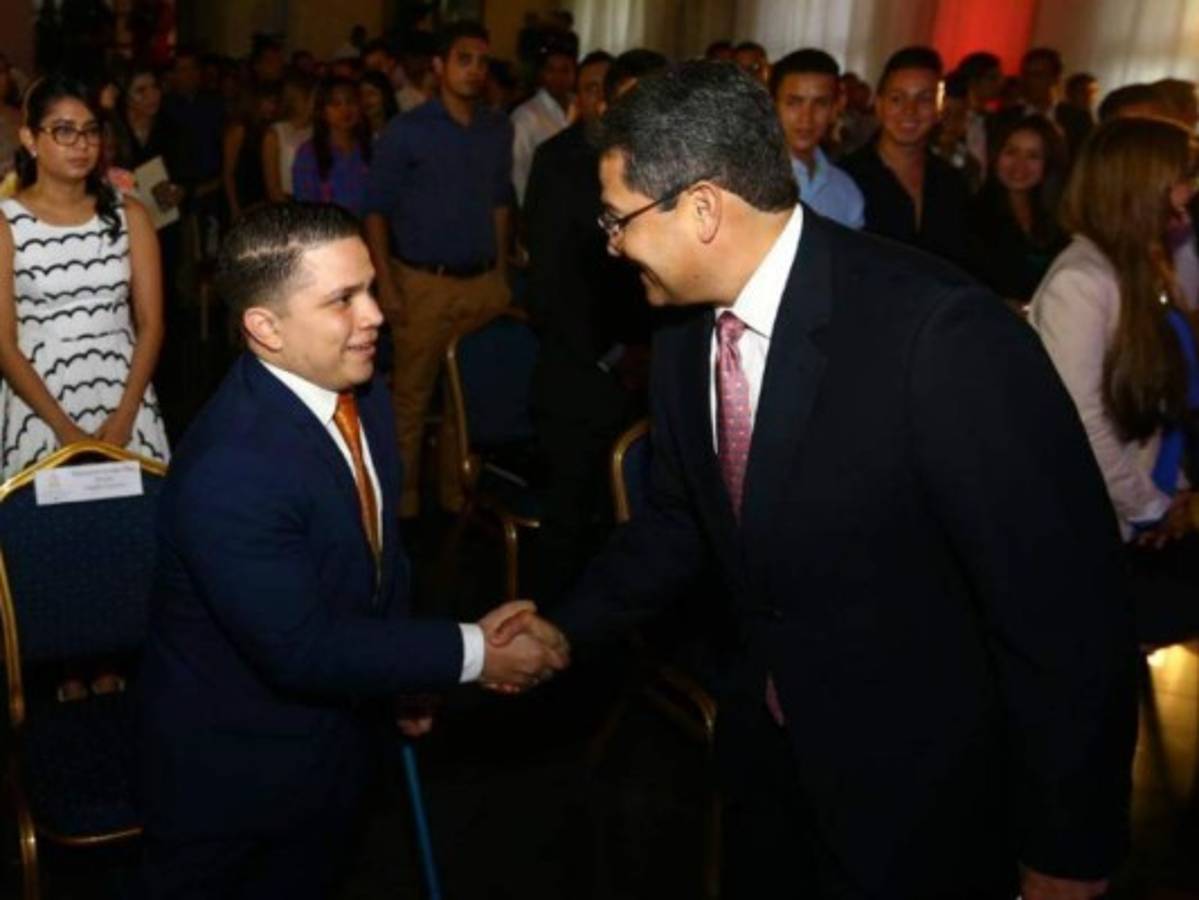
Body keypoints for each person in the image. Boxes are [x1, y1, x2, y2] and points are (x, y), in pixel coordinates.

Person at [502, 60, 1137, 900]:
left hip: (921, 794)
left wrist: (1066, 851)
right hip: (769, 765)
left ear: (699, 209)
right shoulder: (690, 331)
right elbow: (680, 522)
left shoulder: (939, 338)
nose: (611, 247)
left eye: (617, 222)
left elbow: (1063, 613)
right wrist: (560, 628)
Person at [139, 202, 567, 899]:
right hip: (236, 782)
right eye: (342, 299)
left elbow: (379, 558)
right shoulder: (231, 468)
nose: (373, 315)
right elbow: (301, 649)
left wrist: (402, 677)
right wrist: (472, 652)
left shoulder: (353, 389)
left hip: (334, 744)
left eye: (369, 287)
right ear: (265, 328)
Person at [1030, 117, 1199, 646]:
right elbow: (1081, 423)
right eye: (1184, 176)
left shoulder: (1140, 264)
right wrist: (1150, 505)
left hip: (1140, 503)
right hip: (1090, 523)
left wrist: (1177, 489)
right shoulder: (1081, 281)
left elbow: (1163, 396)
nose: (1192, 191)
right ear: (1140, 183)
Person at [524, 48, 665, 605]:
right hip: (581, 375)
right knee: (569, 530)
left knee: (638, 531)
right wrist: (616, 354)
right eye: (630, 103)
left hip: (653, 375)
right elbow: (550, 287)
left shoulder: (676, 163)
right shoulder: (563, 162)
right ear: (604, 103)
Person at [364, 20, 513, 520]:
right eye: (463, 59)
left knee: (464, 404)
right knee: (411, 399)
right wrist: (386, 283)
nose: (474, 70)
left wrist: (500, 272)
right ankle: (400, 507)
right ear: (438, 67)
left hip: (481, 282)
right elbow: (376, 210)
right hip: (422, 282)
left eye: (481, 61)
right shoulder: (407, 131)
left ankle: (457, 497)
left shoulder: (498, 128)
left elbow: (499, 204)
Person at [0, 75, 169, 477]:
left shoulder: (130, 214)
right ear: (29, 138)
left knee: (131, 530)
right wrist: (66, 432)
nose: (81, 143)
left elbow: (151, 324)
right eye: (63, 131)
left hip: (124, 390)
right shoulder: (7, 223)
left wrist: (126, 416)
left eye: (90, 131)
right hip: (38, 398)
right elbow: (4, 343)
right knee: (44, 533)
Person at [842, 46, 971, 265]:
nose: (910, 111)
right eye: (897, 99)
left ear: (939, 109)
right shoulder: (847, 179)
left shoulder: (952, 182)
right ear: (879, 105)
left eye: (924, 99)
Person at [967, 115, 1067, 305]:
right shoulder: (971, 215)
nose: (1019, 164)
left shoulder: (1061, 219)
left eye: (1033, 156)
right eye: (1011, 152)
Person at [769, 48, 865, 229]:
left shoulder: (846, 191)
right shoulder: (744, 181)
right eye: (794, 103)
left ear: (835, 109)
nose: (806, 118)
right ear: (773, 105)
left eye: (820, 104)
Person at [292, 77, 372, 217]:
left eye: (350, 102)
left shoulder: (373, 148)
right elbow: (306, 206)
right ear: (322, 112)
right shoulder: (309, 154)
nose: (345, 109)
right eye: (336, 104)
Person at [510, 42, 575, 206]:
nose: (558, 77)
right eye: (551, 70)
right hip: (542, 206)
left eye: (565, 70)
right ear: (541, 73)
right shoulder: (526, 116)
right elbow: (518, 170)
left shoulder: (580, 107)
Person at [221, 79, 280, 221]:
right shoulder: (239, 129)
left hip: (263, 199)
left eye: (275, 102)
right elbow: (228, 173)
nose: (273, 107)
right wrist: (234, 208)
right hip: (244, 200)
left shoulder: (268, 128)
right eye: (268, 102)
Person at [261, 70, 314, 202]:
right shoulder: (275, 134)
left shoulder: (318, 129)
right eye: (312, 97)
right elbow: (273, 186)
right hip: (288, 202)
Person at [359, 69, 399, 139]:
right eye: (361, 95)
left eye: (371, 94)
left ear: (385, 95)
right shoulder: (359, 136)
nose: (365, 100)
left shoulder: (400, 128)